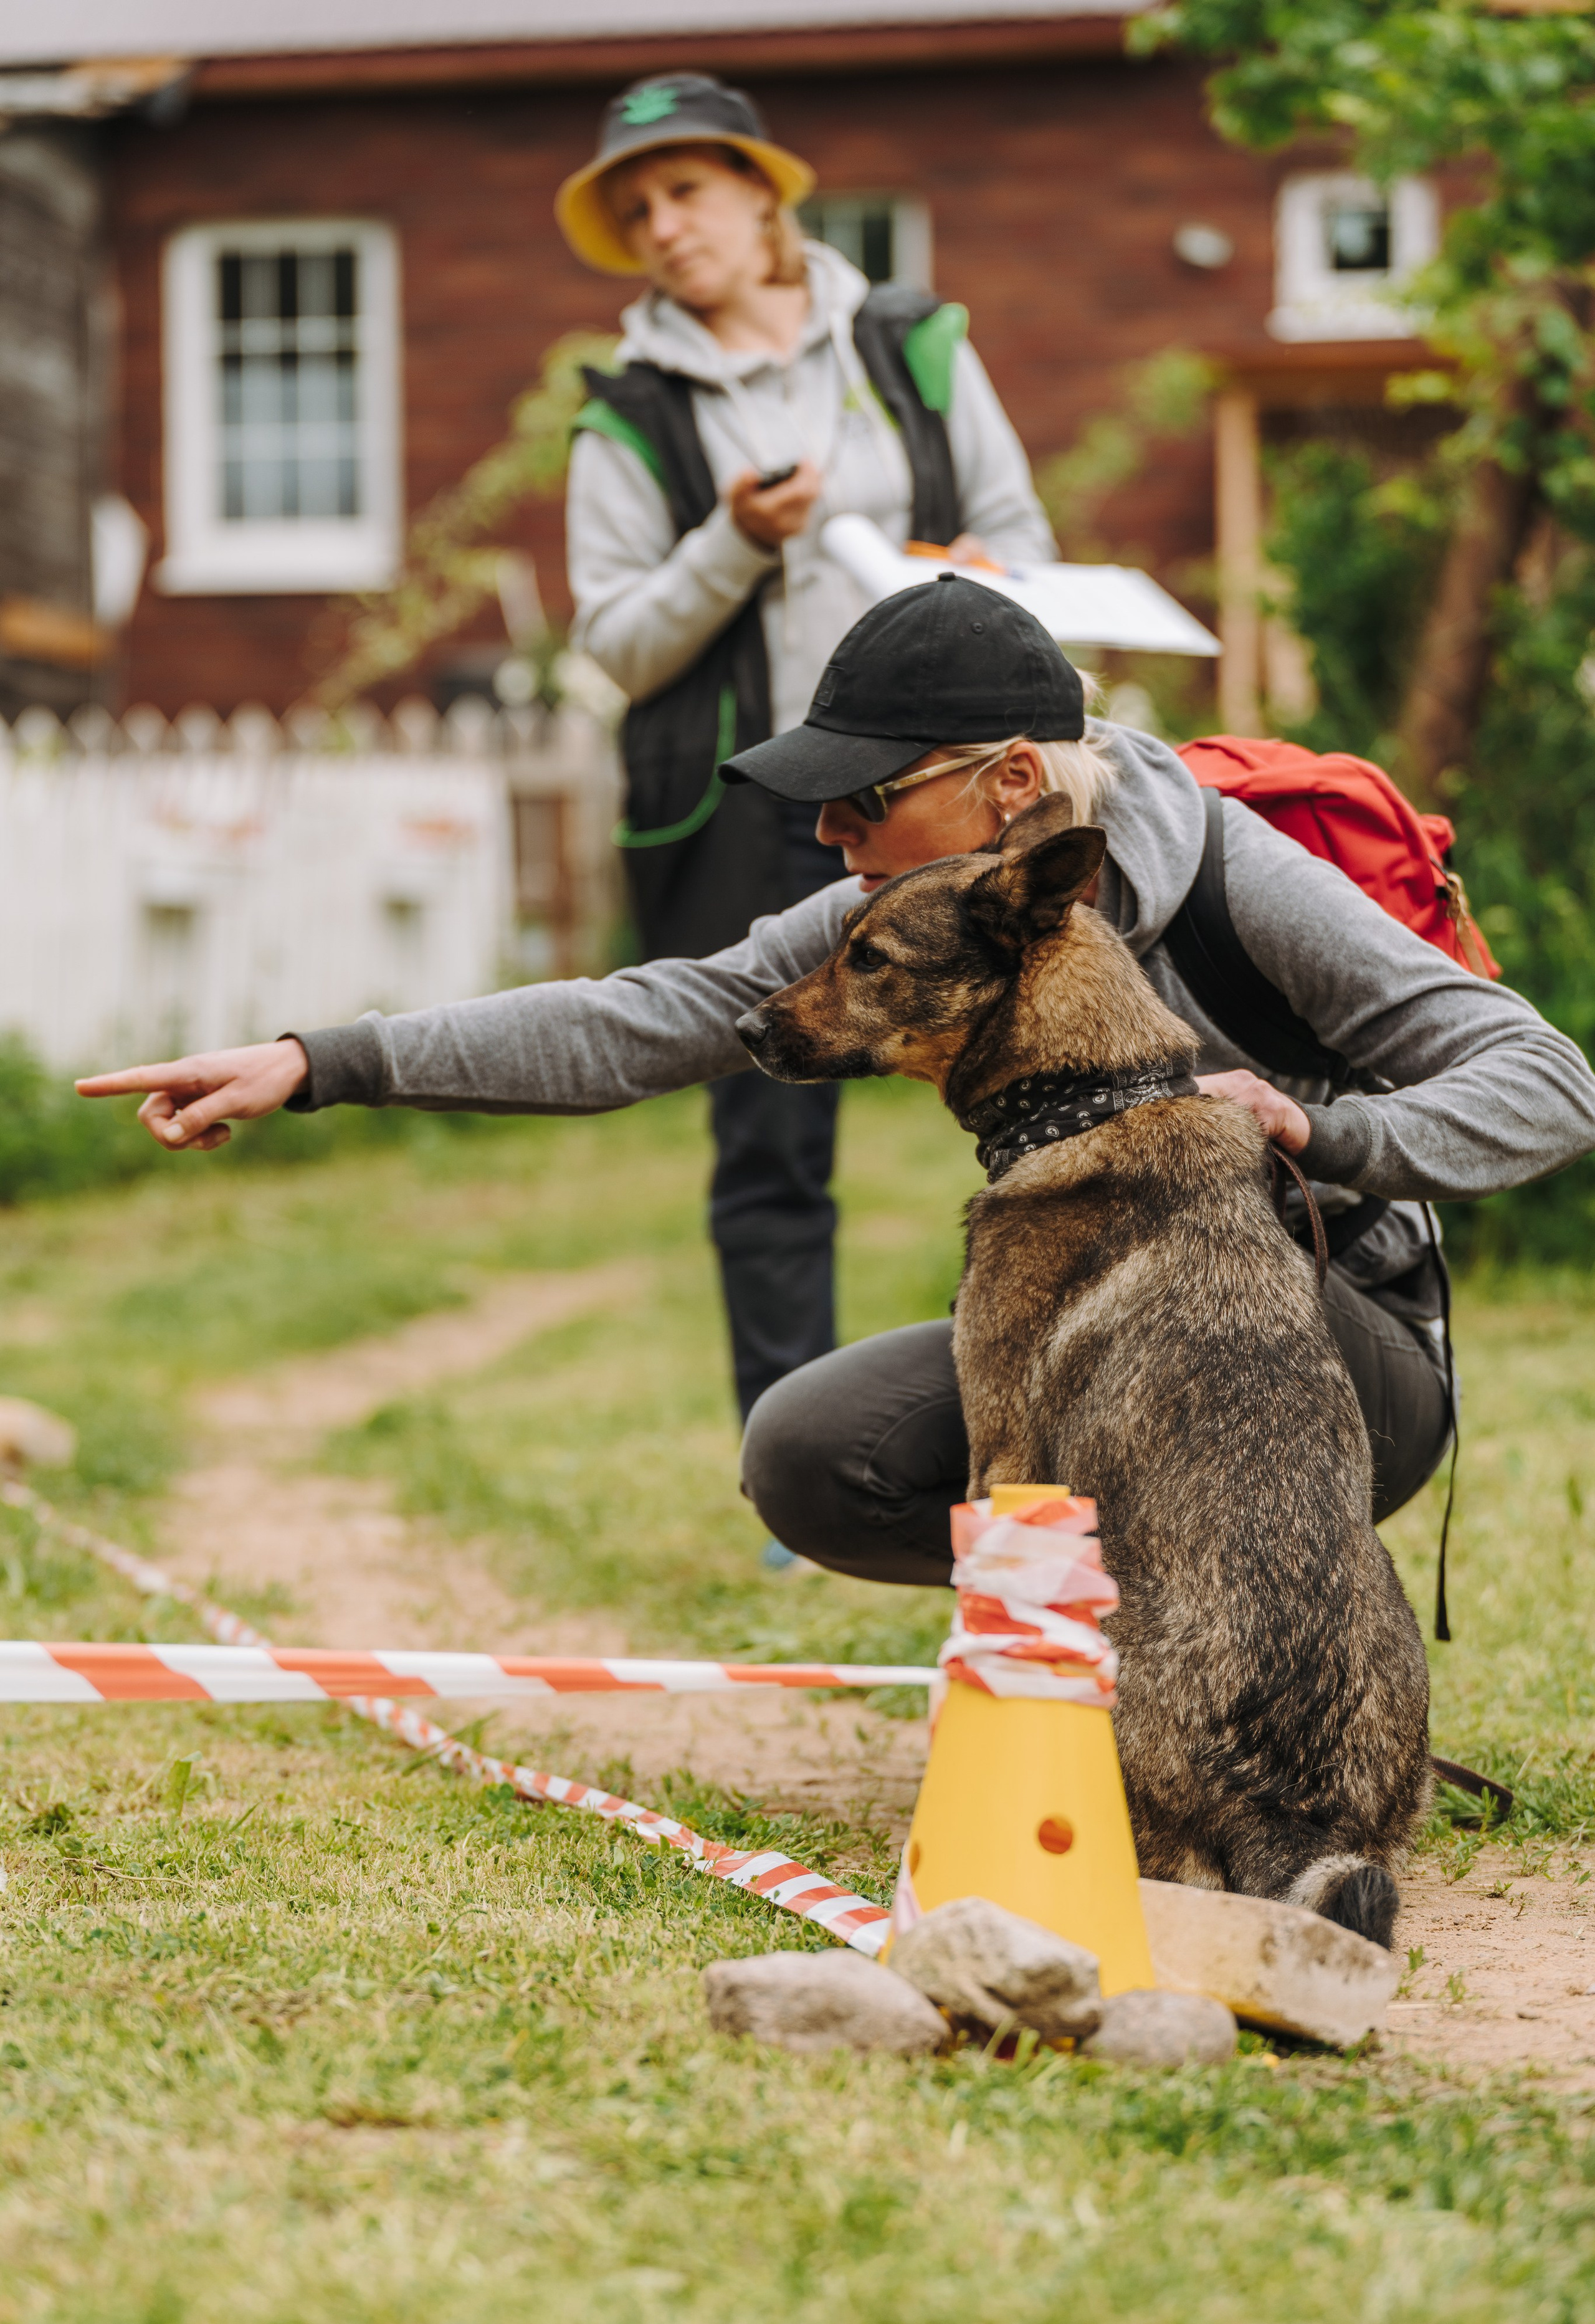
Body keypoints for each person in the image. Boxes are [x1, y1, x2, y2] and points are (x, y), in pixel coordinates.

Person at [77, 576, 1595, 1588]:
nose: (827, 838)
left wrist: (1317, 1126)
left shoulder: (1230, 878)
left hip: (1339, 1358)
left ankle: (1234, 1664)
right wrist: (319, 1059)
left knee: (1154, 1298)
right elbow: (650, 1015)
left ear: (1010, 784)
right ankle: (1091, 1669)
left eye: (861, 798)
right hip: (1104, 1333)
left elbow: (1547, 1080)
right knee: (816, 1454)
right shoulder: (903, 900)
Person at [554, 71, 1056, 1459]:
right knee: (768, 1140)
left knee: (1045, 1085)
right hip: (759, 808)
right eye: (635, 212)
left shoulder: (912, 345)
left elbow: (1023, 534)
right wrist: (732, 542)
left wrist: (986, 572)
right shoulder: (625, 412)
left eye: (685, 191)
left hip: (955, 798)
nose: (663, 226)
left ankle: (1049, 1425)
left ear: (761, 192)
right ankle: (803, 1456)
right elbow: (617, 643)